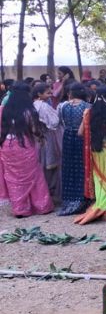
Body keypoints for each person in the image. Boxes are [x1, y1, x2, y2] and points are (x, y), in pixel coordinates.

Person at [0, 83, 54, 217]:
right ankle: (42, 206)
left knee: (13, 178)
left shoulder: (3, 109)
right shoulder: (29, 111)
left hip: (6, 145)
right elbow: (35, 130)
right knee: (34, 175)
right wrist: (41, 138)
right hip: (24, 144)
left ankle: (20, 209)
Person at [74, 86, 106, 224]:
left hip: (96, 150)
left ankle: (101, 202)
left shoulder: (89, 112)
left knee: (100, 178)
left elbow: (80, 133)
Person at [57, 82, 91, 215]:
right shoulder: (87, 106)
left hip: (67, 136)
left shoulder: (62, 106)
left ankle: (68, 199)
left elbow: (59, 122)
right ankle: (81, 198)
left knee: (68, 167)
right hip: (81, 137)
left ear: (70, 93)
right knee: (81, 166)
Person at [32, 82, 63, 200]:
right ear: (39, 94)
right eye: (48, 93)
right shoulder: (43, 106)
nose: (50, 95)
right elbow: (54, 122)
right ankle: (49, 190)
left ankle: (42, 191)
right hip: (47, 137)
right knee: (49, 163)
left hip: (37, 138)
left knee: (41, 162)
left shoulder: (34, 105)